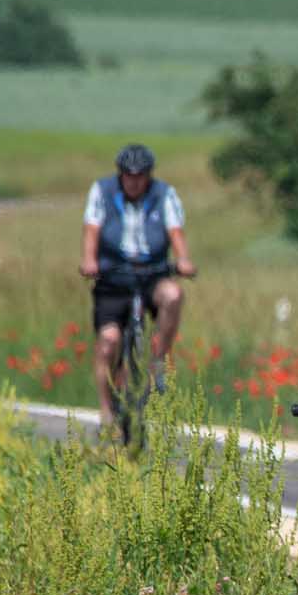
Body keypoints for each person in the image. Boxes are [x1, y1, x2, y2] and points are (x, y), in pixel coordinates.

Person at [80, 143, 195, 422]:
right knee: (109, 341)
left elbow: (175, 231)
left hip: (151, 274)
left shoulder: (163, 194)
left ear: (149, 175)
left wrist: (183, 260)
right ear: (120, 175)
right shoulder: (102, 191)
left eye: (140, 175)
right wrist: (89, 260)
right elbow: (92, 229)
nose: (135, 181)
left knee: (173, 294)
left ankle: (159, 360)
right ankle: (107, 410)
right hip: (113, 277)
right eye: (129, 175)